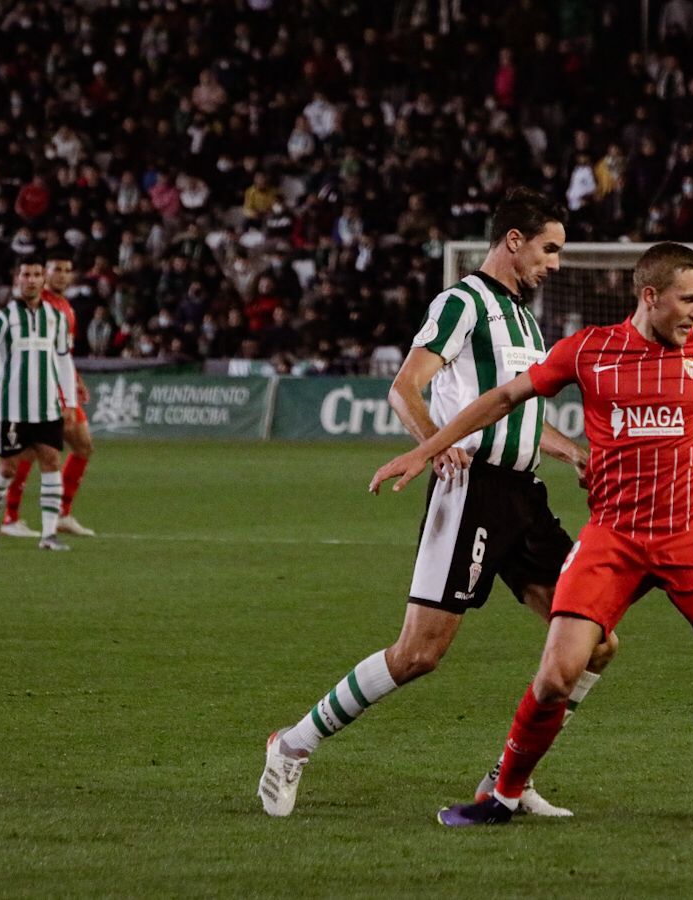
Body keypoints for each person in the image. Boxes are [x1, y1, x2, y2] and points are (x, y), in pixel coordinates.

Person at [370, 242, 693, 825]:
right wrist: (427, 448)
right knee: (558, 674)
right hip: (614, 537)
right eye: (688, 300)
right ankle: (501, 796)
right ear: (650, 296)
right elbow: (504, 397)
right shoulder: (590, 351)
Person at [257, 188, 617, 819]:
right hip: (471, 490)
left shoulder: (527, 321)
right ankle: (292, 743)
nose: (556, 262)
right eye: (550, 248)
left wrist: (573, 452)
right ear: (514, 241)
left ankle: (508, 779)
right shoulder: (462, 303)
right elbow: (406, 387)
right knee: (419, 653)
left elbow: (518, 416)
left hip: (525, 497)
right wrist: (432, 443)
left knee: (596, 642)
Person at [0, 257, 79, 551]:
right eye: (26, 275)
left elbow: (64, 359)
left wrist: (69, 400)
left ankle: (48, 535)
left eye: (36, 275)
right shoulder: (3, 318)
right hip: (13, 410)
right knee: (6, 469)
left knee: (52, 461)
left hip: (48, 408)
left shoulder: (54, 318)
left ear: (43, 281)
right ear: (18, 279)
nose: (31, 280)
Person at [1, 254, 97, 538]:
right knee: (32, 451)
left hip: (61, 388)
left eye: (67, 270)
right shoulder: (36, 305)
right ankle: (11, 517)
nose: (62, 276)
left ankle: (60, 515)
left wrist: (75, 381)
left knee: (82, 446)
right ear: (45, 273)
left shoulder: (66, 307)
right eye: (56, 270)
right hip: (41, 386)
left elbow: (62, 352)